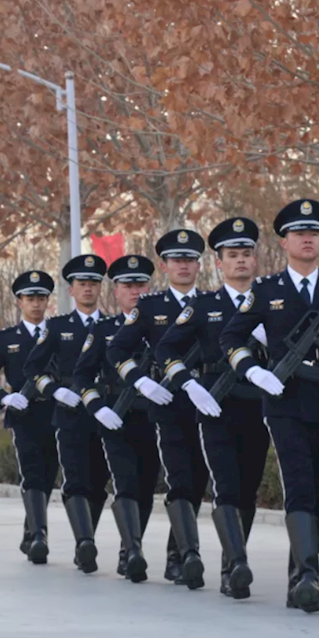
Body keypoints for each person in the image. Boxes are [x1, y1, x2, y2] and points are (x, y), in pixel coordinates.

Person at [219, 198, 319, 613]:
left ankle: (297, 578)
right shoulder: (267, 291)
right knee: (299, 484)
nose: (308, 239)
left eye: (314, 233)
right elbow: (231, 338)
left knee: (318, 490)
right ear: (284, 242)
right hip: (285, 402)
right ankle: (307, 578)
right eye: (300, 233)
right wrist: (253, 371)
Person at [154, 217, 271, 600]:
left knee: (248, 488)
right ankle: (236, 565)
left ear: (255, 259)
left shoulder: (272, 302)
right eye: (232, 255)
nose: (241, 260)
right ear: (219, 263)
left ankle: (230, 562)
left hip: (258, 406)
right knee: (225, 485)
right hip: (215, 406)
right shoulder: (204, 306)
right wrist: (187, 383)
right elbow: (166, 349)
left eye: (246, 253)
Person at [107, 229, 209, 590]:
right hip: (166, 406)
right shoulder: (150, 307)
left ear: (199, 265)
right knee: (179, 479)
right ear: (165, 267)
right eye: (176, 260)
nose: (184, 265)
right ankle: (185, 556)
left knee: (198, 482)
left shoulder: (212, 303)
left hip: (208, 405)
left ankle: (175, 554)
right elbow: (117, 350)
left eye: (189, 259)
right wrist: (140, 382)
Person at [73, 255, 162, 582]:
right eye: (128, 285)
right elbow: (82, 376)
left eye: (141, 285)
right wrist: (97, 408)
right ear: (116, 291)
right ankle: (134, 551)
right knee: (126, 483)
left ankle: (128, 550)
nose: (135, 291)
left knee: (147, 486)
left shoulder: (162, 327)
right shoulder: (103, 330)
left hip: (153, 417)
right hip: (116, 417)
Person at [22, 255, 109, 573]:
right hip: (70, 412)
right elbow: (33, 368)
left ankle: (86, 539)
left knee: (98, 481)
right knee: (75, 478)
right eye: (81, 284)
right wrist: (54, 390)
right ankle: (85, 542)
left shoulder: (112, 325)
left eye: (93, 283)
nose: (88, 289)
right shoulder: (57, 327)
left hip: (104, 411)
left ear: (100, 288)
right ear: (71, 290)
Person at [0, 270, 59, 564]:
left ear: (47, 301)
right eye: (30, 298)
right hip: (24, 414)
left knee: (48, 476)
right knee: (32, 472)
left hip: (56, 413)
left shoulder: (59, 334)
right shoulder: (7, 338)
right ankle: (39, 537)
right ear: (20, 302)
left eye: (41, 298)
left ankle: (30, 532)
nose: (36, 304)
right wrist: (4, 397)